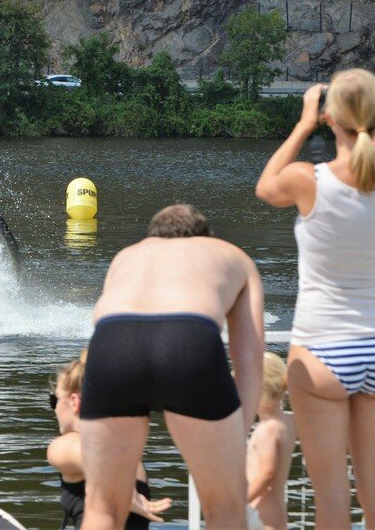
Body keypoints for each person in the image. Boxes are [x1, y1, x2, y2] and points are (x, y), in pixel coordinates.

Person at [79, 204, 265, 529]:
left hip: (114, 342)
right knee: (225, 506)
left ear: (152, 235)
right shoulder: (231, 255)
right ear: (204, 236)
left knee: (102, 507)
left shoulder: (127, 256)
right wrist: (238, 431)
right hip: (188, 339)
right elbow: (249, 359)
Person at [255, 68, 375, 528]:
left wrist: (303, 124)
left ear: (330, 117)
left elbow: (266, 186)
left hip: (323, 350)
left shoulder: (309, 180)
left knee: (331, 501)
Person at [47, 350, 171, 529]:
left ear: (74, 402)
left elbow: (85, 453)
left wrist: (121, 491)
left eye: (54, 400)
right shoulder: (131, 458)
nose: (55, 409)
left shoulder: (64, 445)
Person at [245, 352, 297, 530]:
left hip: (261, 515)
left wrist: (239, 502)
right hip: (276, 513)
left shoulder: (268, 430)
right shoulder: (288, 422)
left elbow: (267, 473)